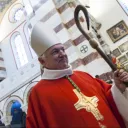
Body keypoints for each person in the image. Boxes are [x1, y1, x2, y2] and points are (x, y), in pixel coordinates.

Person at [26, 21, 128, 128]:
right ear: (42, 61)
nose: (62, 54)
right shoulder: (38, 94)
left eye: (63, 49)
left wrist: (118, 87)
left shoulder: (83, 76)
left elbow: (109, 99)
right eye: (55, 52)